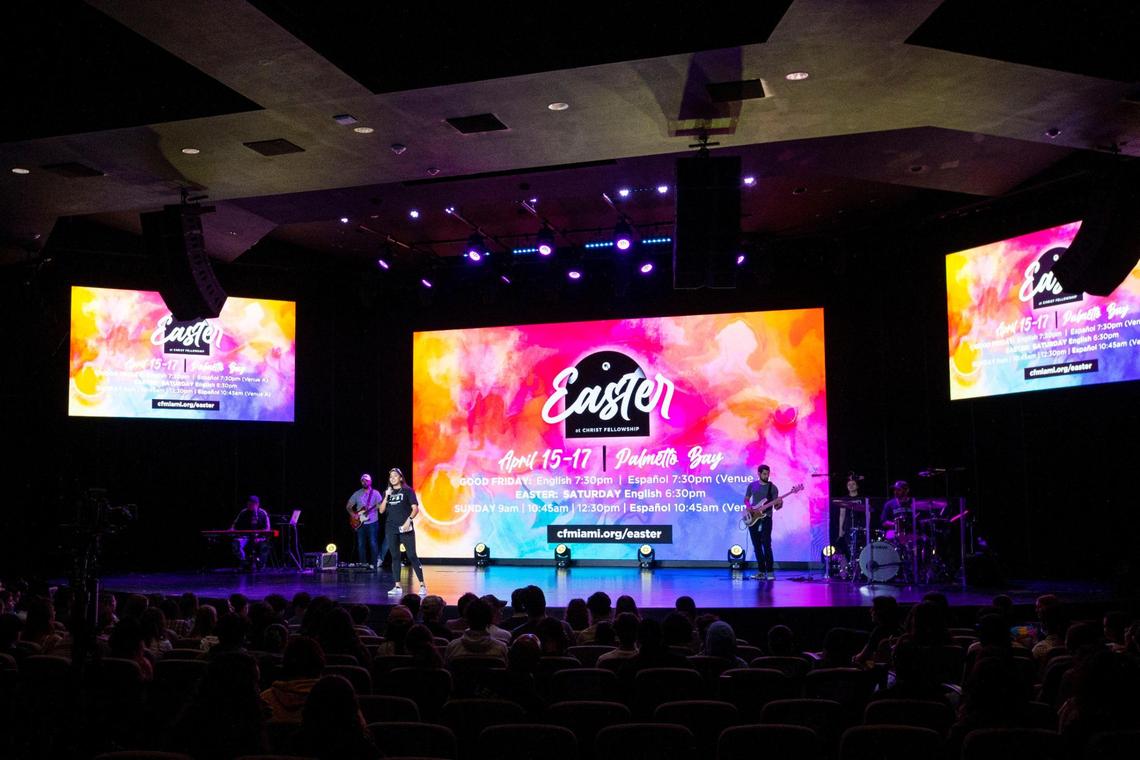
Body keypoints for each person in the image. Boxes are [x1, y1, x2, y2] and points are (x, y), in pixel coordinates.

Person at [379, 468, 427, 596]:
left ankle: (422, 585)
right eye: (390, 477)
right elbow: (381, 511)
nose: (392, 478)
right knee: (395, 557)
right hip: (391, 528)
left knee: (412, 555)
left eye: (395, 476)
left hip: (405, 527)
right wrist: (386, 496)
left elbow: (415, 509)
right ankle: (397, 586)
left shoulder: (408, 491)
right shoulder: (387, 493)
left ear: (400, 478)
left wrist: (409, 520)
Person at [743, 464, 782, 579]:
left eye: (768, 473)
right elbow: (746, 499)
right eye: (764, 473)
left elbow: (777, 507)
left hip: (766, 518)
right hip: (754, 518)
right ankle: (761, 571)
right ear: (759, 474)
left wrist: (779, 503)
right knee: (757, 545)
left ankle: (769, 572)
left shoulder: (773, 488)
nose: (767, 476)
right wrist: (749, 506)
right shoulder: (753, 486)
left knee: (766, 544)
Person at [345, 474, 383, 569]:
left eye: (366, 480)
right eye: (362, 481)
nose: (364, 482)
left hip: (373, 522)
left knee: (373, 543)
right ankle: (363, 564)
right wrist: (353, 515)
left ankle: (373, 564)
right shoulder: (357, 493)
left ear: (370, 481)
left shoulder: (376, 493)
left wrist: (380, 506)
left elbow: (381, 506)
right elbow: (348, 506)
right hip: (359, 523)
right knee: (361, 544)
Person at [231, 495, 272, 571]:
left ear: (257, 504)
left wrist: (260, 537)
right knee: (236, 544)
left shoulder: (263, 513)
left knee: (265, 545)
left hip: (259, 537)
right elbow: (234, 524)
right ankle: (244, 561)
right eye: (249, 503)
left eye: (253, 504)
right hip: (245, 537)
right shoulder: (243, 512)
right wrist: (232, 529)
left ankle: (260, 564)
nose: (251, 505)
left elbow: (268, 528)